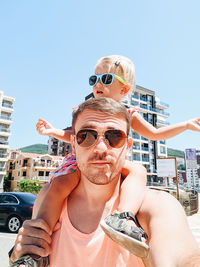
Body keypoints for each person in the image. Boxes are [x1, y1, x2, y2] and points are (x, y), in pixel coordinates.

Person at [35, 55, 200, 257]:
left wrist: (185, 125)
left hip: (115, 159)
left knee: (139, 171)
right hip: (81, 160)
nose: (97, 84)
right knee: (60, 184)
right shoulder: (88, 111)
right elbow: (73, 135)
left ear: (124, 90)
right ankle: (38, 233)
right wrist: (52, 131)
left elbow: (155, 134)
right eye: (93, 79)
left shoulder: (129, 113)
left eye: (106, 79)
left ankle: (123, 217)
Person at [10, 97, 199, 267]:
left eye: (114, 137)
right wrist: (18, 257)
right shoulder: (50, 200)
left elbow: (181, 256)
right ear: (73, 145)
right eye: (86, 136)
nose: (100, 148)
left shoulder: (156, 206)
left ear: (127, 147)